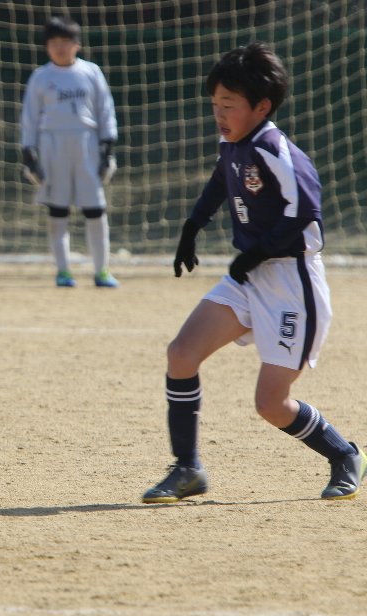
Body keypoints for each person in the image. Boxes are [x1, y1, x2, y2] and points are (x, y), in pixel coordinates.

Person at [143, 41, 363, 503]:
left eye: (229, 105)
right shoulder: (233, 144)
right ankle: (187, 469)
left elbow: (305, 212)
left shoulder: (276, 149)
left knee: (270, 404)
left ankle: (344, 454)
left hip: (291, 282)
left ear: (261, 106)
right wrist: (192, 226)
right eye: (215, 104)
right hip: (249, 276)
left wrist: (255, 253)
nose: (219, 114)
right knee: (181, 354)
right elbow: (221, 179)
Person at [20, 16, 119, 288]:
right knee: (58, 210)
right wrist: (29, 152)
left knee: (95, 209)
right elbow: (29, 117)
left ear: (77, 44)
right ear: (47, 46)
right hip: (52, 145)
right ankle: (63, 271)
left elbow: (105, 109)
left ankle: (102, 271)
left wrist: (108, 146)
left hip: (87, 143)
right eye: (54, 42)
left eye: (65, 42)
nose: (60, 47)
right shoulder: (41, 76)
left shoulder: (91, 72)